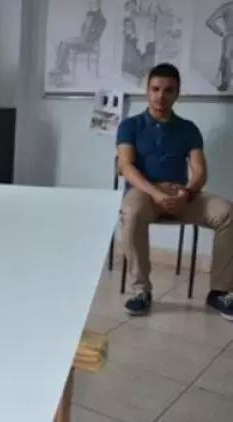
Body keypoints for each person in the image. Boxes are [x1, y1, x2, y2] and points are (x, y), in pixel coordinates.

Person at [117, 63, 233, 320]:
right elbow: (126, 166)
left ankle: (219, 292)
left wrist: (187, 193)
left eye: (168, 90)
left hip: (180, 194)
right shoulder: (130, 125)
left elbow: (200, 170)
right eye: (155, 89)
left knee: (227, 212)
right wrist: (157, 194)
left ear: (177, 93)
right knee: (131, 211)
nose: (161, 96)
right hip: (145, 194)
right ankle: (141, 290)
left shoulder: (188, 128)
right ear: (147, 91)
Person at [49, 0, 107, 81]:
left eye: (93, 2)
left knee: (64, 44)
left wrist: (84, 38)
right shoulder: (90, 14)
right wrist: (80, 37)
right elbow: (83, 30)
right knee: (60, 43)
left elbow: (97, 35)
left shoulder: (101, 18)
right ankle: (63, 69)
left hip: (88, 43)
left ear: (99, 3)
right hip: (81, 40)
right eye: (91, 2)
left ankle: (59, 70)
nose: (91, 3)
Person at [206, 1, 233, 91]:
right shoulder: (227, 6)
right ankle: (225, 83)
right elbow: (209, 21)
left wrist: (221, 33)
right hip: (230, 38)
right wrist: (220, 33)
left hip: (229, 39)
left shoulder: (227, 6)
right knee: (227, 60)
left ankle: (225, 83)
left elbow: (209, 21)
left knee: (227, 60)